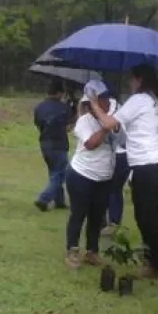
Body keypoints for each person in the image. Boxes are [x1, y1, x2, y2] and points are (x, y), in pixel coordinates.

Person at [88, 63, 158, 288]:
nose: (130, 83)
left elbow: (108, 123)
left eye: (132, 79)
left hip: (148, 166)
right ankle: (153, 263)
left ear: (139, 79)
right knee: (143, 217)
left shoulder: (139, 100)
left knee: (151, 219)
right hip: (152, 165)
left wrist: (94, 104)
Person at [64, 81, 117, 268]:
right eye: (102, 99)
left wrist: (109, 122)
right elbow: (90, 144)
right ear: (92, 103)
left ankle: (92, 252)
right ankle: (72, 250)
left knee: (97, 216)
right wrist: (105, 127)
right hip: (82, 175)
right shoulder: (84, 121)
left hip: (104, 178)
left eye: (107, 97)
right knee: (78, 214)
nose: (107, 102)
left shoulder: (112, 118)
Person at [32, 79, 75, 211]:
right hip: (59, 144)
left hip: (44, 144)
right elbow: (69, 128)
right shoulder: (64, 108)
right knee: (60, 174)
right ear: (59, 92)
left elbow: (38, 124)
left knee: (54, 172)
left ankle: (59, 201)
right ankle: (43, 199)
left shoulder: (39, 107)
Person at [102, 95, 130, 235]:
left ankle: (112, 222)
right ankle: (110, 222)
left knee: (112, 188)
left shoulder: (113, 111)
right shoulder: (121, 108)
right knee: (113, 189)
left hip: (120, 154)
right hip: (122, 154)